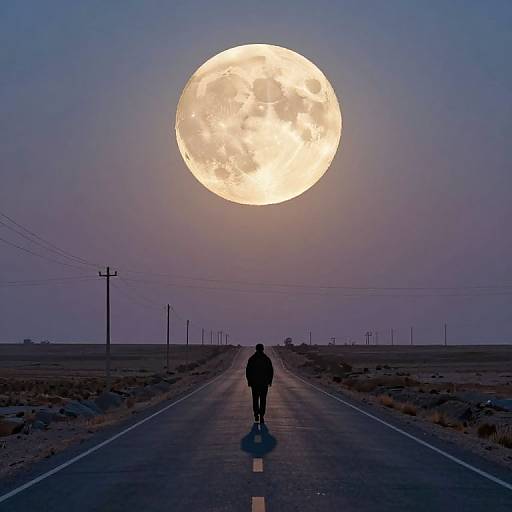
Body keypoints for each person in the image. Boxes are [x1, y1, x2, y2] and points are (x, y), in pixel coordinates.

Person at [246, 343, 274, 423]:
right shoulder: (266, 359)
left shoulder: (252, 359)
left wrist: (249, 381)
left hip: (255, 383)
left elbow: (248, 371)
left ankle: (256, 414)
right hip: (264, 383)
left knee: (255, 399)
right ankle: (261, 415)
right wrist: (270, 381)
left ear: (256, 349)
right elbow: (271, 371)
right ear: (263, 349)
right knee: (263, 400)